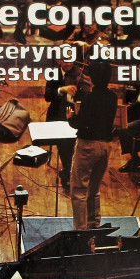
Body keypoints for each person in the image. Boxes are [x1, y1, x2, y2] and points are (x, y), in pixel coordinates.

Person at [68, 62, 117, 230]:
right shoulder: (113, 97)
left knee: (79, 190)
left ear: (92, 78)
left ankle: (80, 230)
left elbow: (78, 123)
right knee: (94, 188)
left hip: (88, 146)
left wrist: (70, 117)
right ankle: (94, 225)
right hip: (106, 146)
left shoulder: (89, 98)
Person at [45, 47, 92, 190]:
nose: (70, 63)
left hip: (73, 114)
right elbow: (47, 96)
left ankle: (70, 171)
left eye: (71, 59)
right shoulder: (53, 73)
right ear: (58, 61)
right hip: (56, 115)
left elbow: (85, 97)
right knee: (64, 141)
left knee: (70, 140)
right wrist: (61, 90)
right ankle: (69, 170)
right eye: (65, 60)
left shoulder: (79, 74)